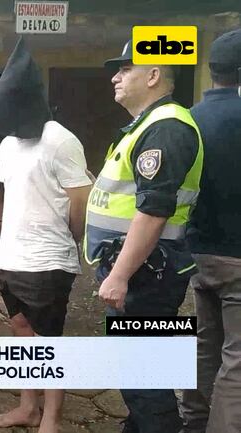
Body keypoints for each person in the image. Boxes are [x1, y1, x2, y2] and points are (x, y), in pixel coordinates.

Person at [84, 39, 203, 433]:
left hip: (147, 276)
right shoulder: (148, 126)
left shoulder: (166, 128)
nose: (115, 78)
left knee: (144, 379)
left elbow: (154, 210)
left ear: (153, 75)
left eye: (125, 69)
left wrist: (119, 275)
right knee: (136, 372)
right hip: (143, 271)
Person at [0, 37, 92, 433]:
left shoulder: (61, 141)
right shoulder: (8, 145)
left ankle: (51, 420)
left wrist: (73, 237)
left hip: (48, 262)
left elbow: (81, 199)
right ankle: (28, 408)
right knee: (22, 333)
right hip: (11, 257)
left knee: (49, 342)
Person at [180, 28, 241, 433]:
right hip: (237, 255)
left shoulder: (188, 118)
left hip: (197, 250)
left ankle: (193, 419)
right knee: (237, 357)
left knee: (205, 342)